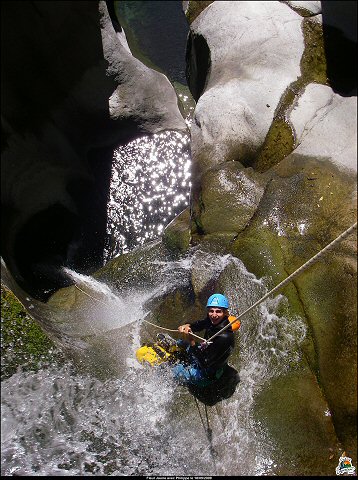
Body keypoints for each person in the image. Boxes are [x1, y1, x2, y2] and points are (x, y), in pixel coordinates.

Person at [172, 293, 235, 387]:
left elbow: (204, 364)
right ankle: (174, 351)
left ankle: (170, 369)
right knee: (181, 343)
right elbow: (200, 324)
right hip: (205, 353)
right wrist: (188, 326)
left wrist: (192, 341)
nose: (214, 315)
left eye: (218, 311)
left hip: (207, 373)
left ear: (225, 313)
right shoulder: (213, 321)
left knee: (172, 371)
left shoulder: (224, 337)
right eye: (211, 311)